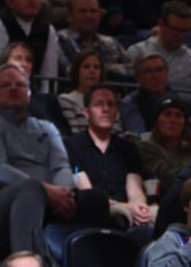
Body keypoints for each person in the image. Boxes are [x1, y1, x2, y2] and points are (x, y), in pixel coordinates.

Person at [0, 65, 109, 257]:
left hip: (47, 198)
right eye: (6, 85)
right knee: (29, 190)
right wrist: (45, 189)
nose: (14, 88)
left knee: (94, 199)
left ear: (30, 93)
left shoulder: (46, 127)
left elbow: (61, 167)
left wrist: (64, 194)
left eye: (20, 85)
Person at [65, 84, 152, 228]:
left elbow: (135, 188)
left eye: (111, 104)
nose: (105, 109)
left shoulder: (128, 148)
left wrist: (139, 207)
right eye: (99, 104)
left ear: (117, 112)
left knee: (155, 214)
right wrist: (125, 207)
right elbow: (87, 192)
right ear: (86, 112)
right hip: (96, 210)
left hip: (129, 211)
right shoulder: (72, 145)